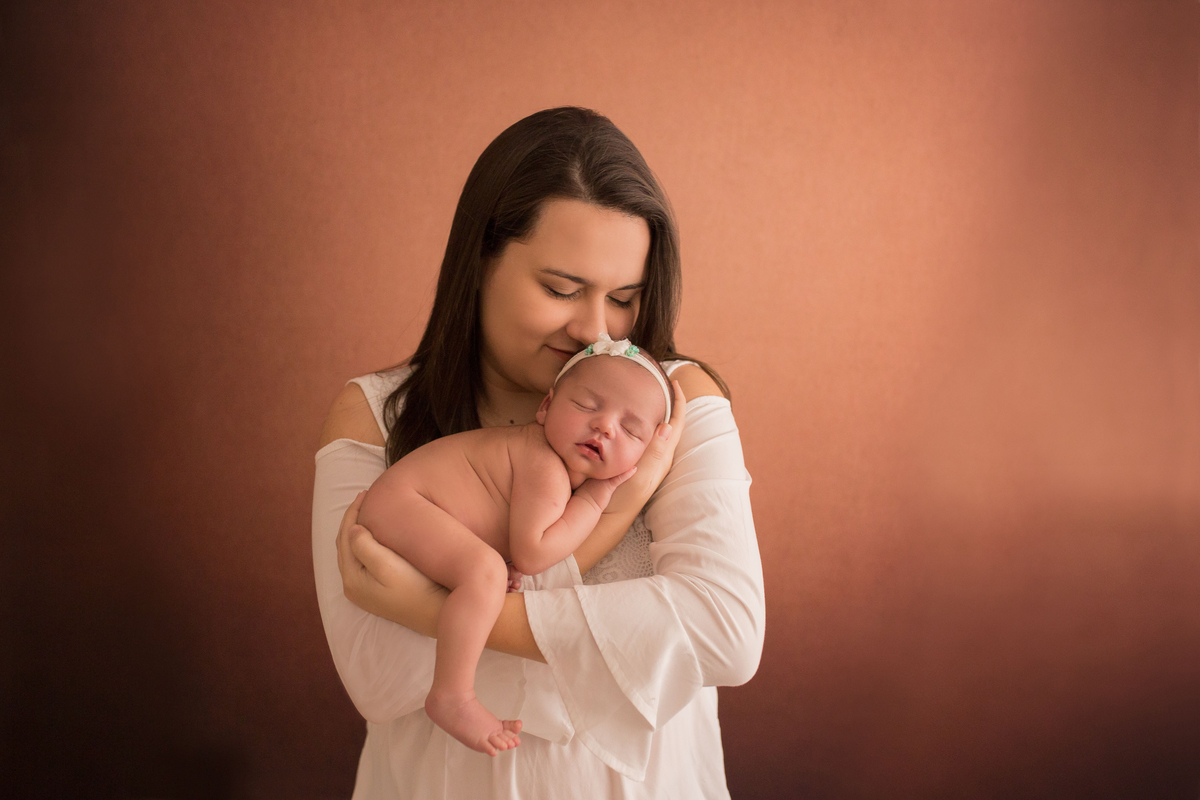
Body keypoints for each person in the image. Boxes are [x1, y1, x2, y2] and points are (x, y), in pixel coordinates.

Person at [312, 106, 765, 799]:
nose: (593, 330)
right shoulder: (377, 414)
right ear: (480, 262)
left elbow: (726, 634)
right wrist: (622, 516)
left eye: (623, 298)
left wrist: (440, 609)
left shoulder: (670, 404)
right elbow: (374, 675)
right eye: (559, 289)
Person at [357, 337, 672, 756]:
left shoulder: (542, 462)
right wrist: (596, 499)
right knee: (485, 571)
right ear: (545, 407)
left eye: (630, 429)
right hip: (404, 504)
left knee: (486, 569)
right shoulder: (544, 465)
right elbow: (535, 555)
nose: (605, 426)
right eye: (586, 406)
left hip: (408, 504)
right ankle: (452, 695)